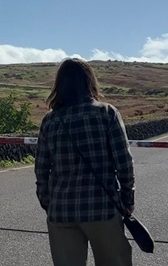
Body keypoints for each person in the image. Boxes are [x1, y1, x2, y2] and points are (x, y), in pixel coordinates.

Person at [35, 58, 134, 266]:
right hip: (102, 209)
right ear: (89, 81)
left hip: (61, 211)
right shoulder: (106, 113)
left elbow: (41, 169)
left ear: (59, 85)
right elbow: (123, 162)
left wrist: (48, 202)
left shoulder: (50, 120)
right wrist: (127, 199)